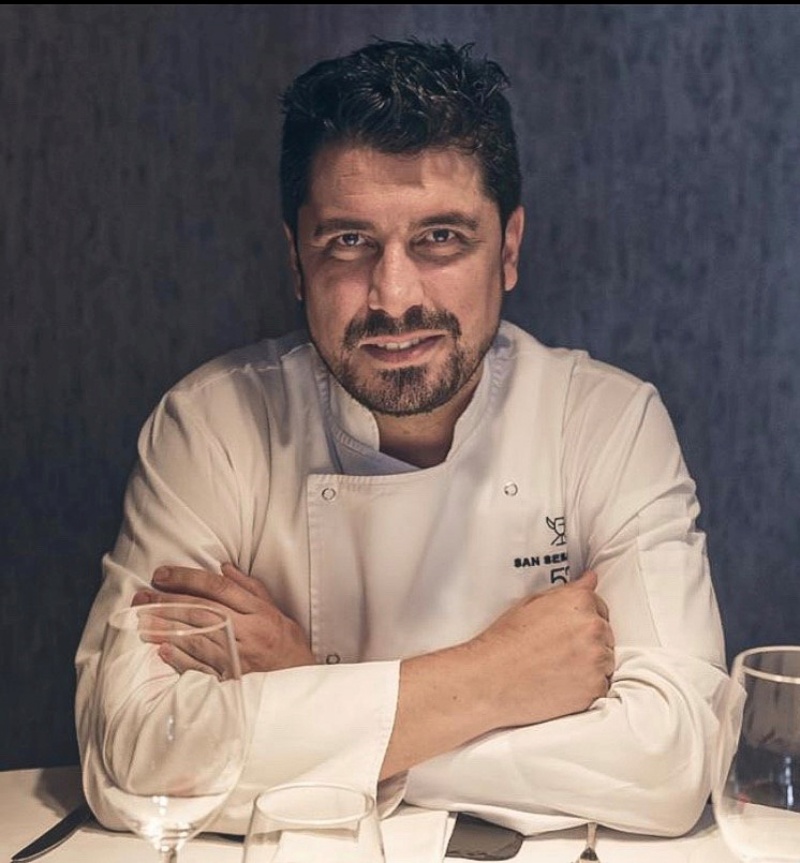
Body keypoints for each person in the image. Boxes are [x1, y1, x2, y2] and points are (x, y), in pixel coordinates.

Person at [75, 37, 727, 839]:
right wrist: (490, 679)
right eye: (348, 241)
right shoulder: (212, 427)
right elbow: (137, 754)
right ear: (296, 261)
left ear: (509, 249)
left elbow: (672, 762)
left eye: (440, 237)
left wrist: (313, 695)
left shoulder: (604, 423)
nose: (392, 295)